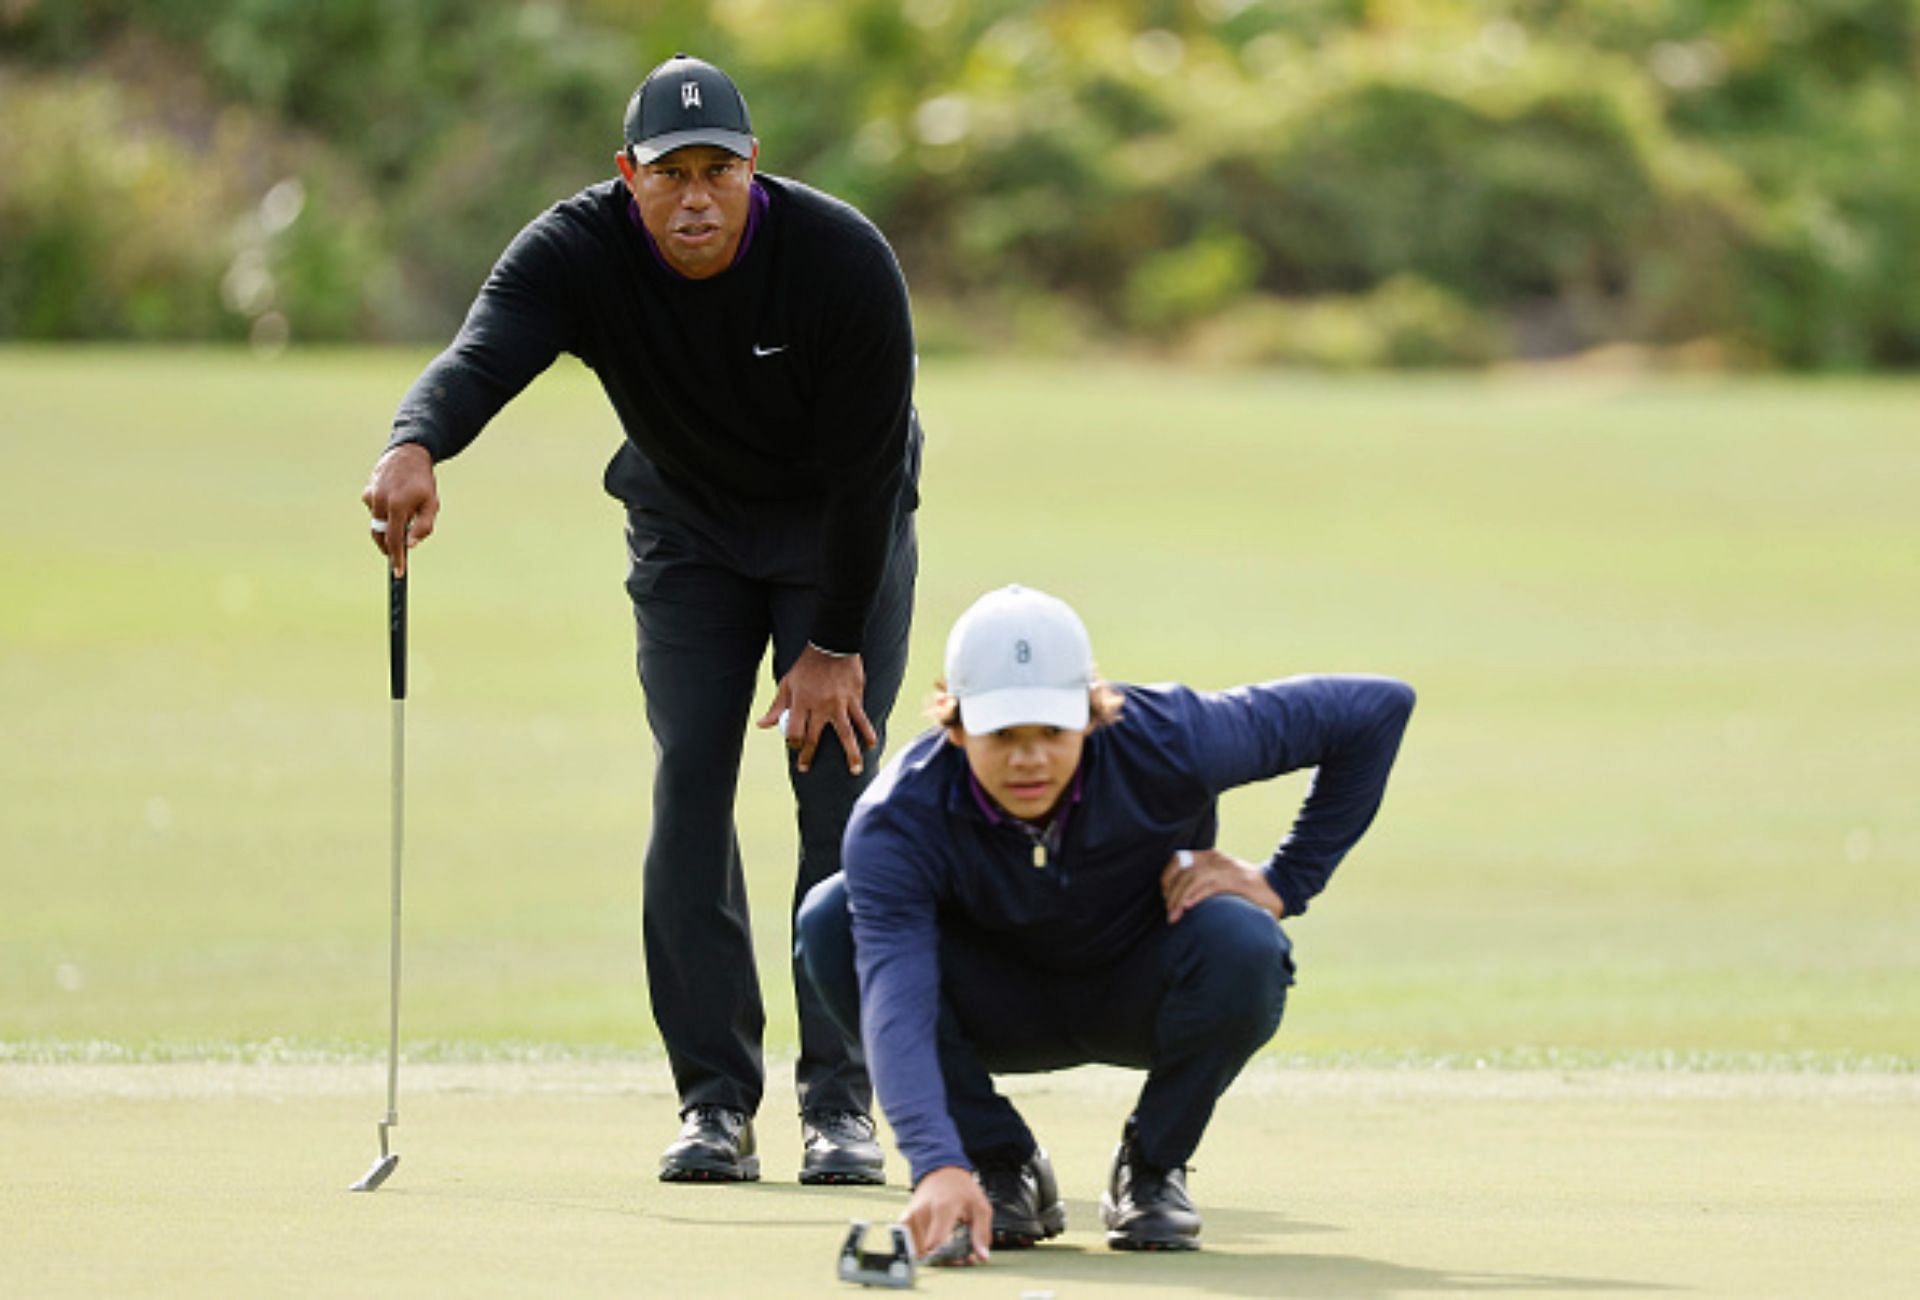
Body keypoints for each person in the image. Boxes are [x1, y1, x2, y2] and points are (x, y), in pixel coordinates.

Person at [360, 53, 922, 1186]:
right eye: (672, 173)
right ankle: (716, 1101)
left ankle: (841, 1105)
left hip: (836, 538)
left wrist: (835, 646)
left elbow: (870, 477)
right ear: (630, 175)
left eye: (721, 169)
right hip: (690, 533)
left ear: (755, 168)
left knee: (837, 804)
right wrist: (413, 442)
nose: (698, 196)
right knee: (691, 781)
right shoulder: (579, 250)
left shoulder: (842, 260)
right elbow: (484, 355)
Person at [796, 585, 1414, 1260]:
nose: (1029, 758)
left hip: (1139, 989)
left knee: (1246, 943)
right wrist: (936, 1160)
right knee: (833, 917)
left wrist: (1284, 881)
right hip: (992, 1005)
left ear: (1092, 714)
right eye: (1002, 734)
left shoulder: (1169, 737)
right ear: (956, 722)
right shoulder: (900, 817)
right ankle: (1000, 1163)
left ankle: (1152, 1168)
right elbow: (897, 998)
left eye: (1052, 731)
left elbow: (1375, 710)